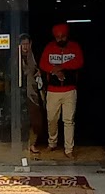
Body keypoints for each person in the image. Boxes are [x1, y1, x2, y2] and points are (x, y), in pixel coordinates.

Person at [38, 22, 84, 158]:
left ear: (67, 35)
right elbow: (43, 64)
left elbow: (79, 62)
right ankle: (52, 143)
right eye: (58, 37)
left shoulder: (74, 47)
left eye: (63, 36)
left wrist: (61, 67)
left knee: (69, 120)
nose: (60, 39)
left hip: (70, 90)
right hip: (53, 90)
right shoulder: (49, 47)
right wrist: (54, 70)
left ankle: (69, 149)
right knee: (51, 119)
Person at [18, 35, 46, 156]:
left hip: (33, 93)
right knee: (21, 122)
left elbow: (44, 69)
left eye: (27, 44)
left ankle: (32, 144)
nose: (25, 46)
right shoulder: (15, 59)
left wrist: (40, 73)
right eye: (23, 44)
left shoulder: (35, 57)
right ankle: (22, 145)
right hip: (18, 94)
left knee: (36, 121)